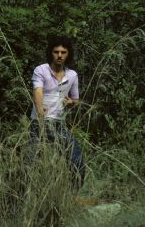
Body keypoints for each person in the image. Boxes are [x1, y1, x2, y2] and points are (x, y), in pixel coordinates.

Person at [30, 35, 86, 188]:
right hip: (39, 123)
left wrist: (71, 103)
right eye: (56, 52)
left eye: (63, 52)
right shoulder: (41, 69)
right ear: (51, 53)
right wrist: (40, 109)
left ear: (68, 54)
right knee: (31, 164)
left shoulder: (72, 75)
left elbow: (76, 100)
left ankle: (72, 194)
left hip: (58, 124)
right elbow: (38, 91)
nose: (59, 55)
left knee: (77, 160)